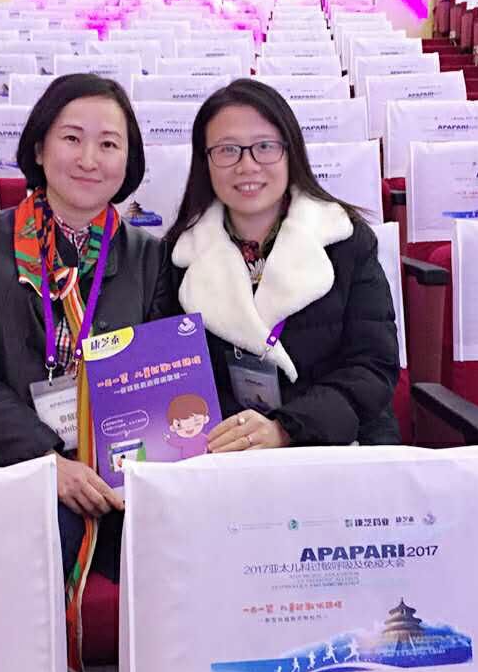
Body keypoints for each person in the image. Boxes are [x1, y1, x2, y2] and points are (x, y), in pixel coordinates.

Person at [0, 74, 162, 667]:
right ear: (40, 147)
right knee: (11, 534)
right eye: (72, 138)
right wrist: (45, 462)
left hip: (104, 463)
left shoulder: (151, 256)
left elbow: (153, 380)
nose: (89, 158)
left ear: (128, 161)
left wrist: (104, 468)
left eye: (109, 144)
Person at [153, 78, 400, 449]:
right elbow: (173, 376)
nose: (247, 165)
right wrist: (243, 433)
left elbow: (373, 368)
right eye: (227, 150)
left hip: (337, 442)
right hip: (227, 448)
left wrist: (286, 429)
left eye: (265, 147)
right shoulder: (178, 255)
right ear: (205, 162)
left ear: (290, 153)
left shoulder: (346, 240)